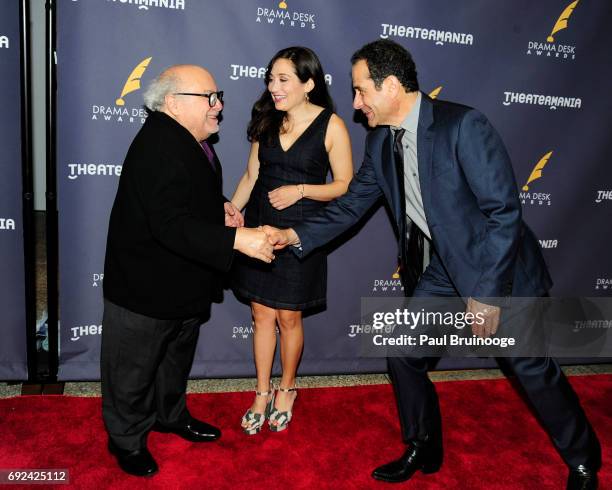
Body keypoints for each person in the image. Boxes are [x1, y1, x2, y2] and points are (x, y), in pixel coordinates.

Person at [264, 40, 601, 489]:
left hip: (499, 268)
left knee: (531, 367)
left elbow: (503, 213)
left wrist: (487, 295)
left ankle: (582, 461)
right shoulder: (381, 141)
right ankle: (423, 445)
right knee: (402, 348)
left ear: (389, 86)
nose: (356, 103)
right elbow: (350, 208)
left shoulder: (463, 125)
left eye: (361, 91)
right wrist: (293, 235)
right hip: (444, 268)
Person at [101, 64, 275, 477]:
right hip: (146, 285)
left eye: (218, 97)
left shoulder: (189, 139)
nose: (218, 107)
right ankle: (126, 440)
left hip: (183, 282)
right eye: (208, 98)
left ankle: (170, 415)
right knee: (133, 370)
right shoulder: (159, 144)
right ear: (173, 103)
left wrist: (219, 208)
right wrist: (238, 238)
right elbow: (168, 224)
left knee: (174, 360)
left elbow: (184, 196)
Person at [227, 46, 353, 434]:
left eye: (283, 80)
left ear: (308, 84)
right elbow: (251, 176)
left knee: (288, 316)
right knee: (260, 315)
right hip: (260, 231)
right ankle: (262, 392)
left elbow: (344, 185)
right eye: (271, 79)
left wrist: (300, 189)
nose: (273, 87)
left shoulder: (330, 125)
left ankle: (287, 389)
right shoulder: (265, 121)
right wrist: (232, 211)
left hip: (301, 234)